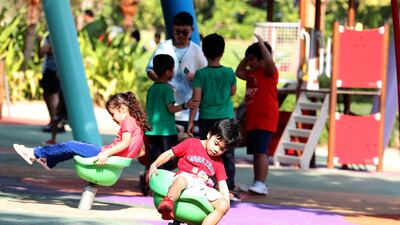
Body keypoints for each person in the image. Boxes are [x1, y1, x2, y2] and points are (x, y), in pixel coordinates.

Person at [12, 92, 151, 170]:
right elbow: (142, 151)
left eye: (112, 114)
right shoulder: (137, 123)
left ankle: (34, 153)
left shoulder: (127, 121)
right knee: (75, 147)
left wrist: (107, 154)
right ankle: (49, 161)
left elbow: (125, 143)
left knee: (71, 145)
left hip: (103, 153)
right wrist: (123, 158)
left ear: (122, 108)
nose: (113, 118)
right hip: (109, 155)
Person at [148, 120, 240, 224]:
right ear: (209, 134)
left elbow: (222, 184)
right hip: (186, 180)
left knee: (223, 204)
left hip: (203, 188)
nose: (216, 149)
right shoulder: (191, 143)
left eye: (222, 149)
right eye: (216, 143)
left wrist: (226, 204)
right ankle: (168, 204)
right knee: (181, 180)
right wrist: (154, 165)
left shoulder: (218, 162)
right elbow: (170, 154)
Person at [187, 33, 239, 201]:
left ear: (203, 52)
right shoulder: (229, 72)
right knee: (228, 154)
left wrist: (190, 122)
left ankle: (205, 183)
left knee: (207, 152)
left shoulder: (200, 75)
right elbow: (233, 91)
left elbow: (196, 100)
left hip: (207, 119)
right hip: (226, 118)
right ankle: (229, 187)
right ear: (222, 52)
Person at [146, 11, 207, 132]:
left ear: (192, 30)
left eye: (185, 32)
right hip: (167, 110)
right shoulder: (164, 47)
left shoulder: (196, 50)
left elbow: (206, 76)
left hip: (191, 112)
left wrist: (197, 77)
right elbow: (149, 70)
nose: (180, 35)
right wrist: (162, 82)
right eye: (177, 32)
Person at [235, 34, 279, 195]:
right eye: (250, 60)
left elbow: (269, 62)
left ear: (262, 60)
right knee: (256, 152)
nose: (250, 63)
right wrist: (247, 57)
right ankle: (257, 181)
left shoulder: (269, 72)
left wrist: (261, 45)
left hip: (265, 119)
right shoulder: (251, 73)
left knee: (261, 152)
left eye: (254, 59)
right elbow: (238, 71)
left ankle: (261, 182)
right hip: (253, 120)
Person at [145, 54, 197, 170]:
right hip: (166, 131)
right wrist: (185, 105)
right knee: (170, 158)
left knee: (155, 159)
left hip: (152, 131)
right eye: (173, 69)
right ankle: (164, 180)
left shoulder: (152, 89)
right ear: (168, 72)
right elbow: (171, 109)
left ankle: (150, 180)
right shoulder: (167, 89)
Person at [38, 35, 65, 134]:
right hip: (50, 70)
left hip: (53, 71)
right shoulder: (51, 36)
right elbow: (41, 54)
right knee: (48, 95)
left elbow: (43, 51)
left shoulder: (54, 37)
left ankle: (57, 123)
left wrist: (41, 43)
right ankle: (54, 122)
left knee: (53, 96)